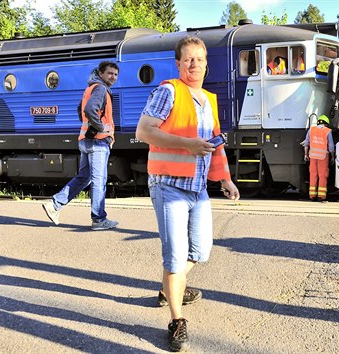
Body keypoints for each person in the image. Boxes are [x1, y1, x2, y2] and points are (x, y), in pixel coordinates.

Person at [135, 36, 240, 352]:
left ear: (207, 64)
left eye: (200, 59)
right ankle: (176, 320)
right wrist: (188, 145)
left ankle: (170, 286)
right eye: (188, 59)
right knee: (176, 255)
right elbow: (143, 131)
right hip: (168, 185)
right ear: (179, 64)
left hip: (197, 189)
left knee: (201, 250)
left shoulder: (208, 99)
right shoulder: (168, 91)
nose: (194, 64)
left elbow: (215, 143)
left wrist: (225, 179)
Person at [42, 61, 119, 231]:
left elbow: (80, 109)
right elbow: (90, 109)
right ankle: (99, 219)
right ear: (101, 73)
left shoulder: (90, 88)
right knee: (99, 181)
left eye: (115, 74)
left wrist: (90, 126)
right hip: (97, 141)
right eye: (110, 73)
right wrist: (100, 128)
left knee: (84, 177)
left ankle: (54, 205)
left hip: (86, 140)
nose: (113, 77)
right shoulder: (100, 89)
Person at [303, 114, 334, 202]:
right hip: (323, 157)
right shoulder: (327, 131)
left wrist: (305, 154)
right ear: (326, 124)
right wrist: (332, 156)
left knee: (313, 175)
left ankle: (312, 195)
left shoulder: (311, 130)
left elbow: (306, 143)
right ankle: (321, 196)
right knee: (322, 175)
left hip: (312, 156)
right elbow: (331, 146)